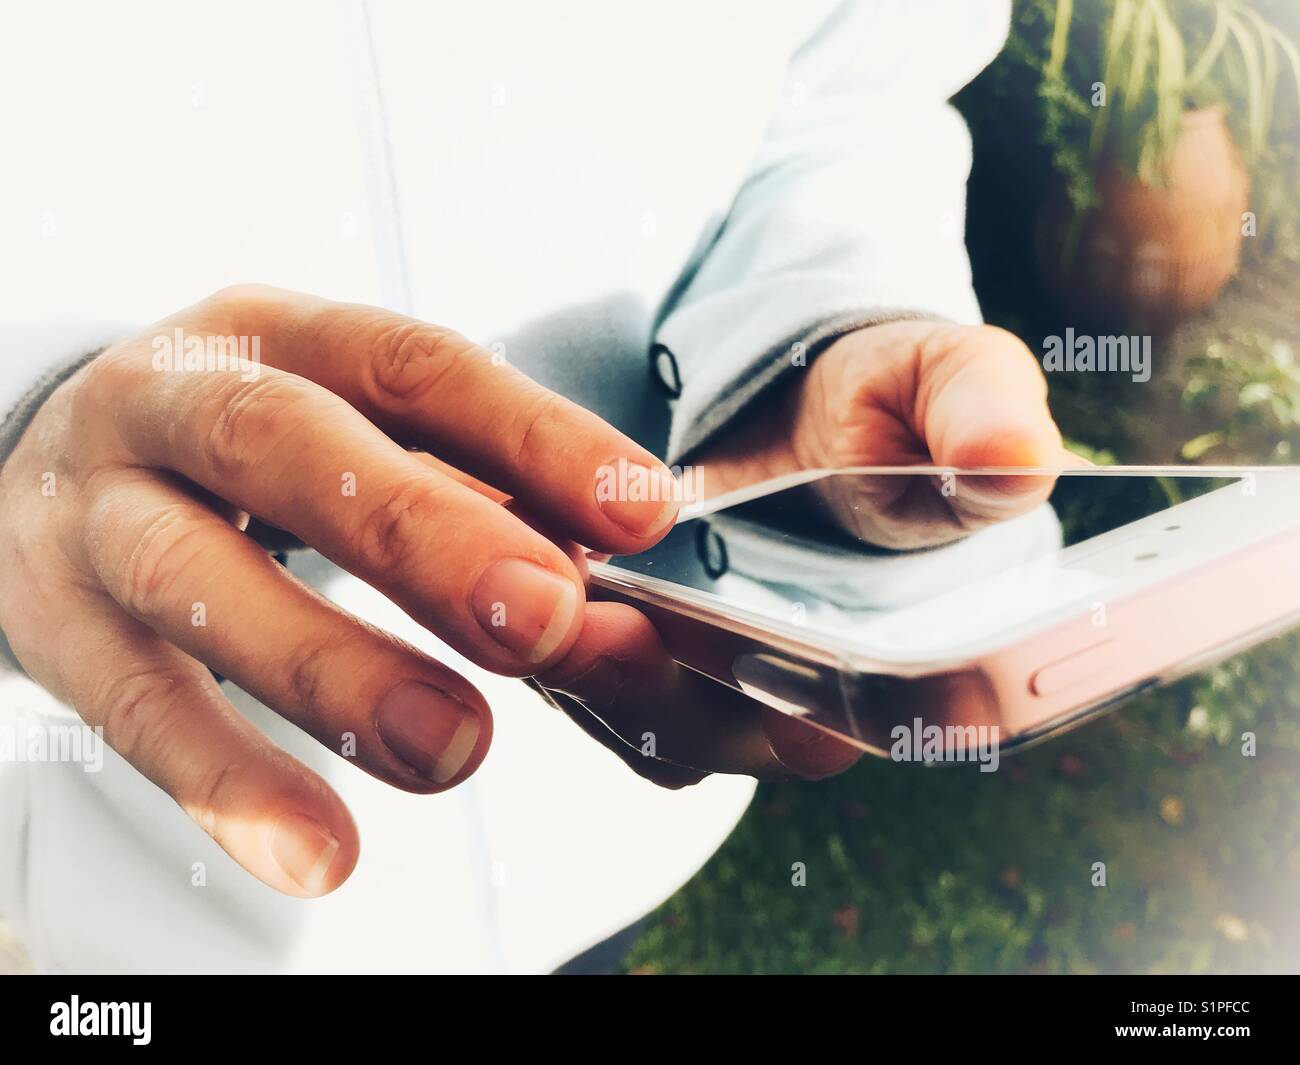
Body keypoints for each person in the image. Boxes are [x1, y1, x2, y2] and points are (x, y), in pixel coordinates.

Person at [0, 0, 1063, 972]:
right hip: (154, 890)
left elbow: (850, 83)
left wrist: (809, 348)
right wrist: (24, 427)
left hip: (618, 826)